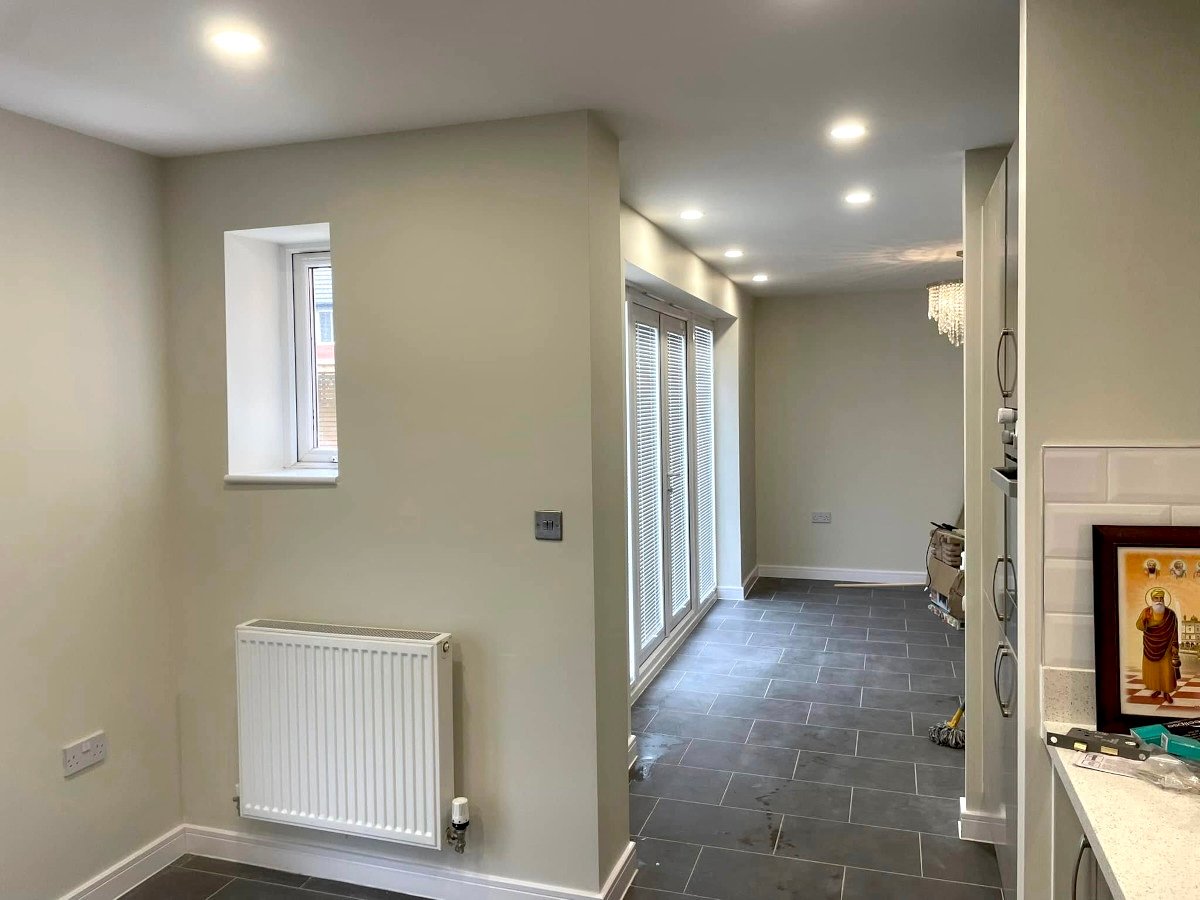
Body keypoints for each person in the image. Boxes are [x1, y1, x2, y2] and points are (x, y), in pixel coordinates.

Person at [1136, 587, 1180, 702]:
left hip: (1167, 648)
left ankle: (1166, 692)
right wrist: (1144, 620)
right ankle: (1157, 689)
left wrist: (1175, 645)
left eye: (1161, 598)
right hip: (1150, 647)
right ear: (1152, 599)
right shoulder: (1146, 612)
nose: (1159, 600)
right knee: (1154, 671)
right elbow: (1139, 627)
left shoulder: (1170, 614)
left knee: (1166, 671)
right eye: (1156, 598)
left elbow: (1174, 631)